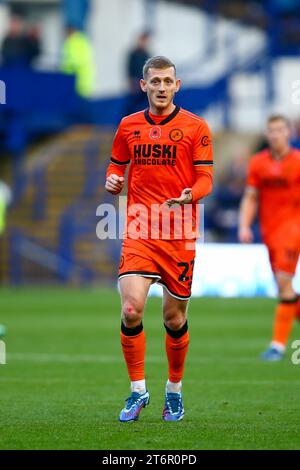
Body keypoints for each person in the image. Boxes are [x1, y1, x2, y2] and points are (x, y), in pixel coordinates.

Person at [105, 56, 213, 422]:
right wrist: (112, 180)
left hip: (178, 233)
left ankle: (174, 390)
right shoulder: (127, 126)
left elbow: (206, 180)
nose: (162, 87)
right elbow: (116, 165)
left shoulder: (196, 127)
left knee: (173, 318)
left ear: (177, 86)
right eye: (155, 82)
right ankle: (137, 391)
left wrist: (190, 194)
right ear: (144, 85)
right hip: (139, 228)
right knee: (131, 309)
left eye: (168, 81)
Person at [238, 115, 300, 361]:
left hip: (293, 230)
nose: (275, 135)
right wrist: (244, 225)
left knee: (284, 284)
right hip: (269, 232)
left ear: (288, 133)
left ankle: (277, 346)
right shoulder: (257, 163)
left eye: (280, 130)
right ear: (267, 134)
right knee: (283, 287)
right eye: (271, 130)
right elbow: (251, 196)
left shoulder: (297, 161)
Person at [60, 26, 95, 98]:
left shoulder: (75, 42)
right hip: (79, 80)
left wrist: (64, 71)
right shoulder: (80, 40)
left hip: (78, 81)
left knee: (79, 104)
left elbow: (75, 61)